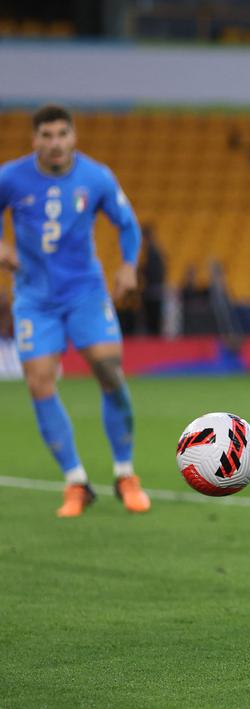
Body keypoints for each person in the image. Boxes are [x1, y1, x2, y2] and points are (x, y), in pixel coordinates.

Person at [0, 104, 150, 517]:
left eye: (61, 134)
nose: (54, 143)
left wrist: (126, 266)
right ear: (34, 140)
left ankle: (125, 473)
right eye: (45, 136)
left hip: (85, 292)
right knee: (39, 382)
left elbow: (129, 224)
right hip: (34, 298)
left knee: (108, 369)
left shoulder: (96, 176)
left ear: (73, 137)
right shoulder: (10, 177)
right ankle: (76, 482)